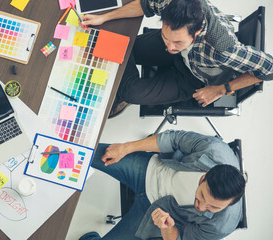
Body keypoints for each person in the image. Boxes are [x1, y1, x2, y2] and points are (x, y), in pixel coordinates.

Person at [81, 0, 273, 118]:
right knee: (123, 43)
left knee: (130, 92)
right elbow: (144, 4)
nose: (170, 47)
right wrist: (104, 18)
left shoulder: (224, 48)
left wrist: (222, 89)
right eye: (167, 38)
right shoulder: (172, 3)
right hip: (186, 55)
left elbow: (269, 68)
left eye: (178, 42)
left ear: (197, 31)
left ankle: (122, 95)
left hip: (194, 78)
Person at [80, 130, 246, 240]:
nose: (201, 207)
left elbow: (180, 238)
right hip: (149, 170)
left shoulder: (220, 227)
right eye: (202, 196)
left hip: (152, 215)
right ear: (204, 177)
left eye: (213, 208)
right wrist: (126, 148)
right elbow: (173, 139)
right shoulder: (214, 149)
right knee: (83, 151)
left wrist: (168, 229)